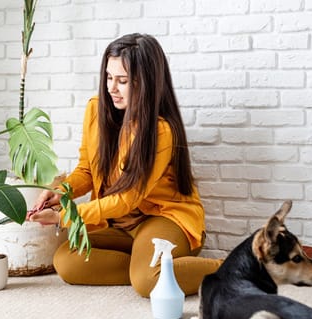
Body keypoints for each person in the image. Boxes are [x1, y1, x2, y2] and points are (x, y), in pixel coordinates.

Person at [28, 33, 221, 297]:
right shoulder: (96, 110)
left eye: (122, 81)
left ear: (146, 83)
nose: (111, 88)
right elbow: (87, 169)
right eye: (108, 77)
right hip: (118, 225)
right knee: (66, 260)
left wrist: (65, 216)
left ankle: (241, 269)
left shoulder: (160, 130)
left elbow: (127, 199)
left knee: (147, 283)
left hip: (161, 219)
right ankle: (145, 264)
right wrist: (63, 193)